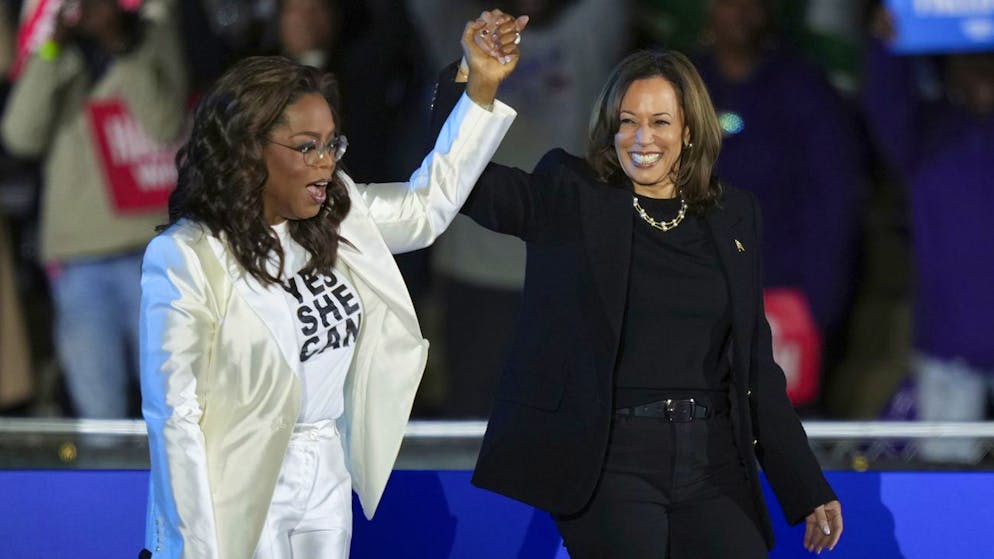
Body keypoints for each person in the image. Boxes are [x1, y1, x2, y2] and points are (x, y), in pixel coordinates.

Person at [431, 45, 843, 557]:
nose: (641, 138)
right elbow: (464, 182)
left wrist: (805, 484)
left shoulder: (734, 214)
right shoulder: (573, 194)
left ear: (689, 130)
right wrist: (474, 80)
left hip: (715, 461)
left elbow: (756, 368)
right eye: (628, 122)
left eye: (660, 121)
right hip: (612, 461)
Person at [138, 15, 524, 559]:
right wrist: (193, 547)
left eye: (331, 145)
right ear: (248, 148)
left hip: (325, 468)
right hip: (238, 483)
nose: (325, 164)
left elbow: (426, 208)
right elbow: (175, 417)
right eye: (306, 147)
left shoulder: (337, 215)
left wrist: (479, 87)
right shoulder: (188, 255)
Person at [0, 0, 188, 418]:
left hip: (152, 248)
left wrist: (118, 41)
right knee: (99, 413)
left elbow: (164, 123)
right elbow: (19, 137)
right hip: (79, 256)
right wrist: (53, 50)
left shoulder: (150, 26)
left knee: (173, 405)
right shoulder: (53, 43)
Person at [862, 6, 994, 463]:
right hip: (951, 348)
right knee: (949, 486)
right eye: (971, 60)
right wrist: (886, 44)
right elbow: (885, 102)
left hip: (950, 344)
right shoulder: (926, 134)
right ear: (950, 68)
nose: (983, 72)